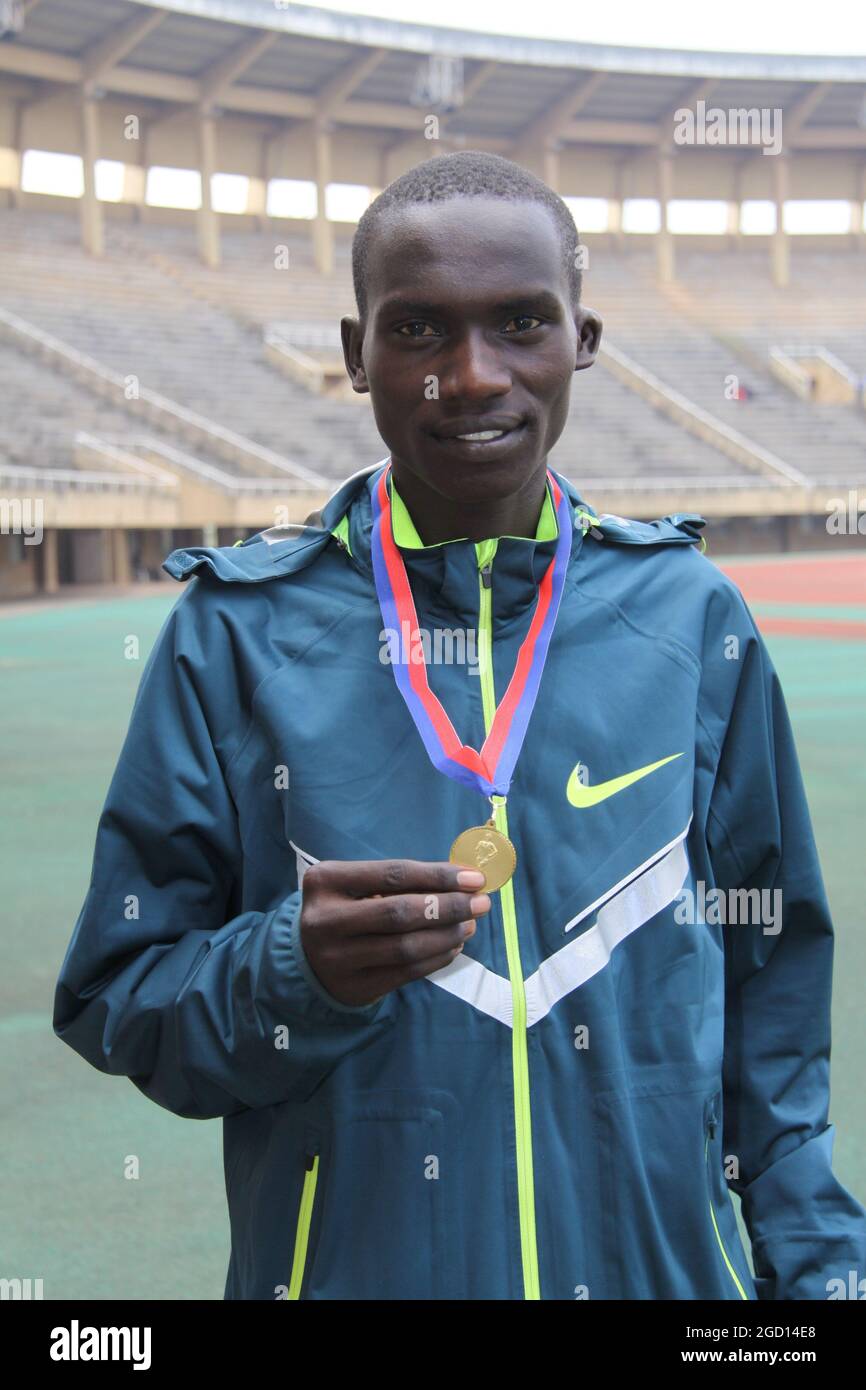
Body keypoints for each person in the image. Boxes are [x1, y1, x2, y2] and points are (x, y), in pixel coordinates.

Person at [54, 150, 866, 1301]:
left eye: (521, 322)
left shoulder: (691, 619)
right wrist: (292, 972)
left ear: (581, 337)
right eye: (420, 331)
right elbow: (117, 995)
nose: (472, 376)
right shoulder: (232, 636)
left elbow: (772, 1002)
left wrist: (820, 1276)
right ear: (355, 355)